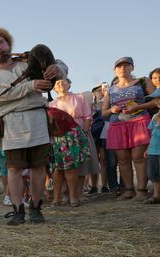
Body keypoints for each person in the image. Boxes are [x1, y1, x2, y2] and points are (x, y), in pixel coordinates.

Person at [0, 27, 68, 225]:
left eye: (1, 42)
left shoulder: (26, 62)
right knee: (14, 169)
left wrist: (56, 68)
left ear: (8, 44)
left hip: (37, 118)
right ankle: (18, 210)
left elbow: (61, 65)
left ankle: (36, 208)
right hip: (11, 124)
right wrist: (30, 86)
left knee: (38, 167)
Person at [102, 57, 154, 201]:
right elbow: (103, 113)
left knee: (138, 157)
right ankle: (129, 190)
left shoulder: (142, 82)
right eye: (119, 66)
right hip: (117, 125)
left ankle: (142, 191)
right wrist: (112, 110)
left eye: (126, 65)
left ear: (132, 67)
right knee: (123, 160)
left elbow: (156, 101)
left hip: (139, 122)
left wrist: (138, 106)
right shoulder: (111, 89)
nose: (123, 68)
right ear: (115, 70)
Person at [49, 78, 100, 204]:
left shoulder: (80, 97)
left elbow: (88, 116)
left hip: (79, 133)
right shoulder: (51, 104)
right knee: (62, 166)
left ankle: (79, 193)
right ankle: (65, 194)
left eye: (63, 81)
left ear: (69, 84)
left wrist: (85, 132)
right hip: (60, 137)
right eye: (57, 83)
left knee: (80, 164)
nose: (61, 83)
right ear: (54, 88)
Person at [144, 87, 160, 204]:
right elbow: (152, 134)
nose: (157, 101)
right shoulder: (155, 116)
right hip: (153, 150)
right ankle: (156, 195)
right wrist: (148, 148)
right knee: (153, 173)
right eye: (156, 99)